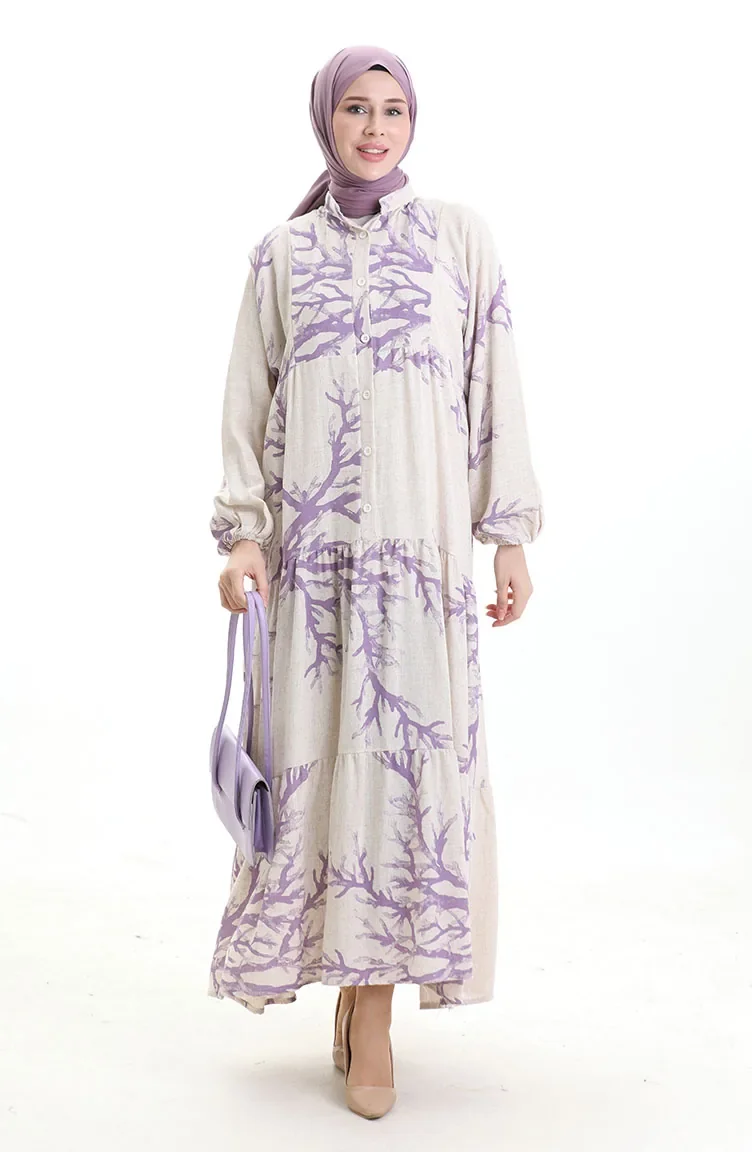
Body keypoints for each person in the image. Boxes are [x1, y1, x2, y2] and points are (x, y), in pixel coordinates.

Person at [207, 44, 545, 1120]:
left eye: (392, 109)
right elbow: (247, 404)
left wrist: (507, 534)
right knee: (321, 771)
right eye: (354, 108)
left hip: (421, 564)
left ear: (412, 123)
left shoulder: (458, 240)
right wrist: (244, 537)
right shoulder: (282, 255)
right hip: (316, 570)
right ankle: (351, 994)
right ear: (326, 121)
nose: (373, 127)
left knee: (404, 771)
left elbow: (493, 385)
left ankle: (373, 1015)